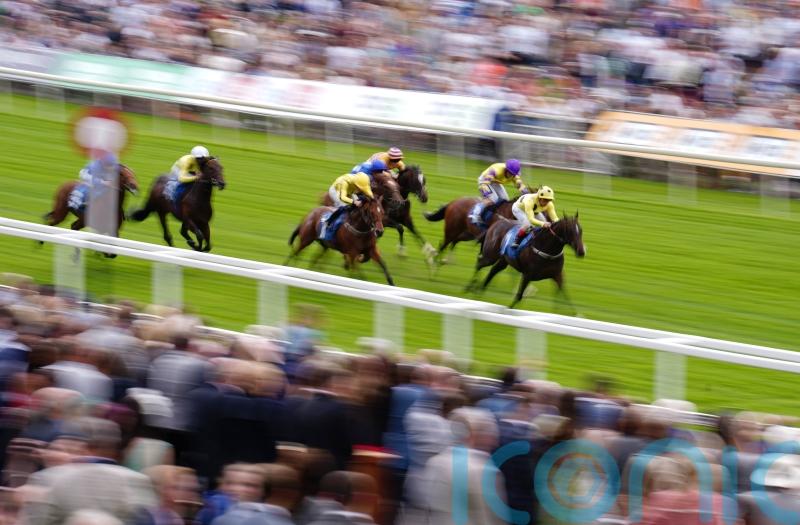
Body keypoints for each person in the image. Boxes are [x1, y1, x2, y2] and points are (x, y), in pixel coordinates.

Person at [320, 168, 376, 240]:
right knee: (343, 207)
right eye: (359, 188)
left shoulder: (362, 181)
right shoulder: (344, 182)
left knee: (358, 205)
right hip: (336, 191)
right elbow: (343, 197)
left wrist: (374, 199)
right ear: (356, 185)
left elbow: (369, 194)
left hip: (350, 190)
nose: (360, 190)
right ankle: (327, 221)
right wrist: (353, 202)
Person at [477, 159, 529, 224]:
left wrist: (527, 193)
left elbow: (520, 185)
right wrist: (486, 196)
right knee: (493, 200)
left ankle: (498, 216)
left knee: (505, 201)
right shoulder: (496, 170)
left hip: (496, 181)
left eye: (513, 174)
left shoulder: (515, 175)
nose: (511, 176)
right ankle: (478, 214)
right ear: (506, 169)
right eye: (510, 173)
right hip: (484, 181)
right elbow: (484, 184)